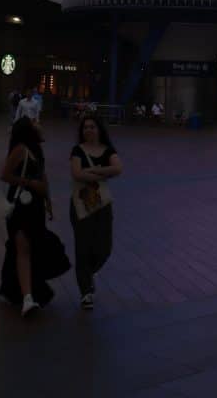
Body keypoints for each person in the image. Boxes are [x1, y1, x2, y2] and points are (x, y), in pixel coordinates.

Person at [0, 117, 60, 316]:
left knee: (25, 247)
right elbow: (5, 175)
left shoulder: (37, 150)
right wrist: (29, 183)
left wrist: (47, 199)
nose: (39, 125)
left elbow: (43, 175)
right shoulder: (20, 150)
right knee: (23, 247)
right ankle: (28, 299)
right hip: (21, 204)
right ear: (28, 130)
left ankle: (11, 289)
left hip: (35, 205)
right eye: (35, 124)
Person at [69, 114, 122, 310]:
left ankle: (88, 273)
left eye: (92, 126)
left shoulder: (108, 150)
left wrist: (92, 172)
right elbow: (77, 173)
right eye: (85, 127)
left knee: (104, 247)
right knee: (82, 247)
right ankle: (86, 291)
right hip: (81, 204)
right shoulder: (77, 150)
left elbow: (118, 168)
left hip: (102, 204)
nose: (89, 130)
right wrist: (103, 172)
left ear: (99, 129)